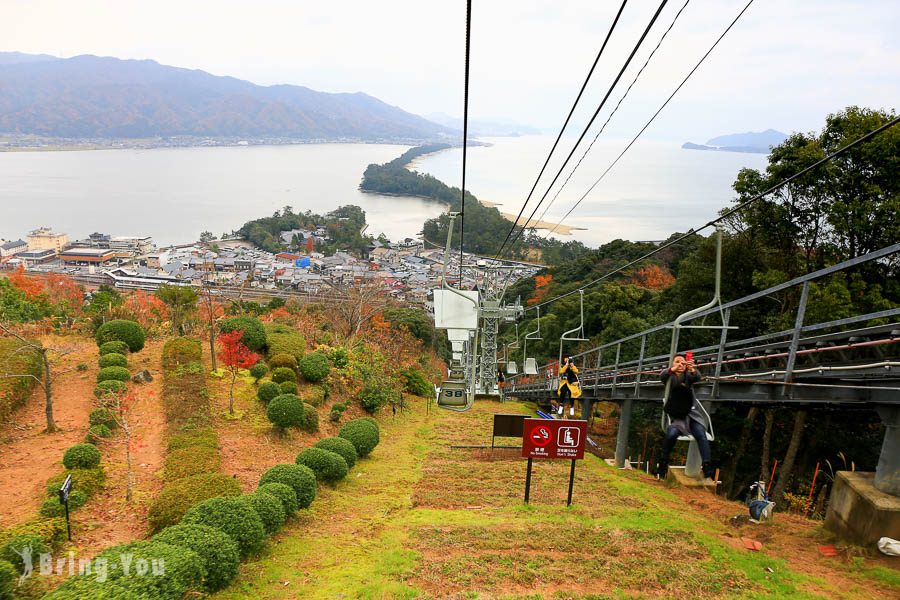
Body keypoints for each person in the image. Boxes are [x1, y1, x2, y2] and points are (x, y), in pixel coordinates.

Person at [657, 354, 714, 479]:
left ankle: (706, 464)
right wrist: (673, 369)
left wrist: (692, 369)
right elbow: (662, 375)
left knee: (701, 434)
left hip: (692, 415)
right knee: (671, 434)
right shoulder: (669, 378)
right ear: (672, 364)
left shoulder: (688, 377)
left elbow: (696, 377)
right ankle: (663, 462)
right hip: (678, 417)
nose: (681, 364)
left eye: (683, 362)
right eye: (677, 362)